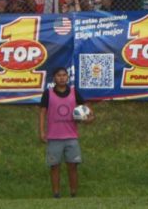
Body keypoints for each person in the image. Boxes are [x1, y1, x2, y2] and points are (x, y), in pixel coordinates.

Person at [38, 67, 94, 198]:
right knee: (54, 167)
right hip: (54, 137)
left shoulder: (74, 92)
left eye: (64, 75)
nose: (62, 77)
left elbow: (87, 108)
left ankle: (73, 194)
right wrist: (42, 131)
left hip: (71, 137)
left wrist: (90, 117)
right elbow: (42, 113)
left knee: (73, 167)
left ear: (67, 77)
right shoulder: (48, 93)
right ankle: (56, 194)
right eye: (59, 75)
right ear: (54, 78)